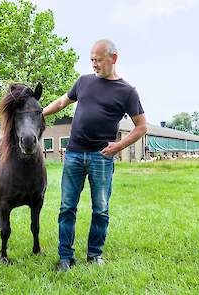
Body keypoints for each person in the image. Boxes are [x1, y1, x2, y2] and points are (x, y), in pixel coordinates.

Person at [42, 39, 147, 271]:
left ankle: (94, 254)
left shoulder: (127, 91)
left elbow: (141, 127)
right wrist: (40, 114)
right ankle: (65, 257)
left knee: (100, 208)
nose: (94, 64)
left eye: (98, 60)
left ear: (114, 58)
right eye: (91, 59)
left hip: (102, 156)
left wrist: (118, 146)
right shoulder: (83, 82)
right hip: (74, 155)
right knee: (67, 207)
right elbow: (61, 102)